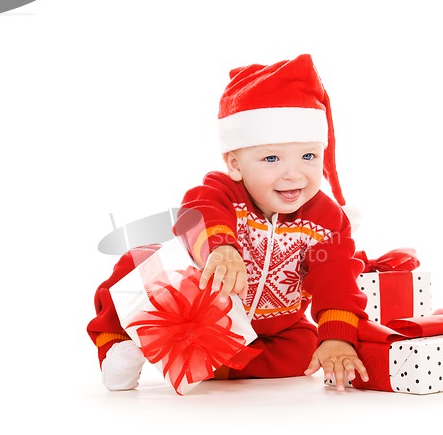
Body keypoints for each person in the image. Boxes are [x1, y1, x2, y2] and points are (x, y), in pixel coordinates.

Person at [87, 54, 369, 392]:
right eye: (271, 158)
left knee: (303, 352)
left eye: (308, 156)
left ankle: (214, 363)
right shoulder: (223, 191)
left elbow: (337, 278)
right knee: (136, 264)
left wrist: (337, 338)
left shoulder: (327, 220)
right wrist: (220, 249)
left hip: (274, 327)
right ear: (235, 163)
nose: (294, 173)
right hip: (197, 306)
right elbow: (198, 211)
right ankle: (119, 346)